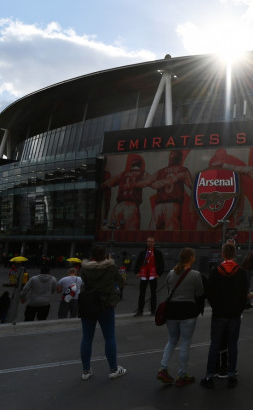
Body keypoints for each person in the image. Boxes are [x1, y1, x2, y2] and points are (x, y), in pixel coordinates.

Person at [201, 242, 250, 389]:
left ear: (222, 254)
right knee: (232, 345)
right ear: (234, 254)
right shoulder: (241, 272)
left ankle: (209, 376)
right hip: (234, 315)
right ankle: (231, 375)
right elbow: (244, 294)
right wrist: (239, 309)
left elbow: (209, 293)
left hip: (219, 314)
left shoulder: (216, 272)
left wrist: (216, 307)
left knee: (214, 344)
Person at [157, 247, 205, 387]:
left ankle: (163, 368)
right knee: (185, 342)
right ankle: (181, 375)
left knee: (171, 340)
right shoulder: (195, 274)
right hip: (188, 312)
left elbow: (168, 291)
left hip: (171, 311)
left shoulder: (171, 273)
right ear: (191, 258)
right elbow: (200, 293)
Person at [79, 244, 126, 381]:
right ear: (105, 255)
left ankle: (86, 371)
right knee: (109, 337)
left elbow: (84, 282)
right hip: (106, 305)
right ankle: (113, 369)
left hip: (88, 304)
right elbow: (121, 282)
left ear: (91, 256)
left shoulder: (84, 268)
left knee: (86, 338)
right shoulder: (111, 267)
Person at [140, 150, 193, 230]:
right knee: (172, 232)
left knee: (153, 231)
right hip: (173, 205)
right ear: (180, 159)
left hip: (159, 206)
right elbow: (191, 186)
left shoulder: (160, 171)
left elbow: (147, 183)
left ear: (169, 159)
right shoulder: (182, 170)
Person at [101, 153, 150, 231]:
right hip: (132, 207)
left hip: (118, 206)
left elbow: (106, 184)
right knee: (130, 235)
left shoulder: (122, 174)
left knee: (113, 233)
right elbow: (152, 181)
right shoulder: (142, 173)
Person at [134, 236, 165, 316]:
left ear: (154, 243)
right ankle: (140, 310)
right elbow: (138, 263)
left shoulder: (158, 253)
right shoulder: (142, 253)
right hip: (144, 275)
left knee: (153, 293)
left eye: (151, 242)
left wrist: (159, 274)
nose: (150, 243)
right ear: (147, 243)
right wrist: (137, 272)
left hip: (153, 275)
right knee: (142, 293)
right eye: (149, 242)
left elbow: (161, 264)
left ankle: (153, 310)